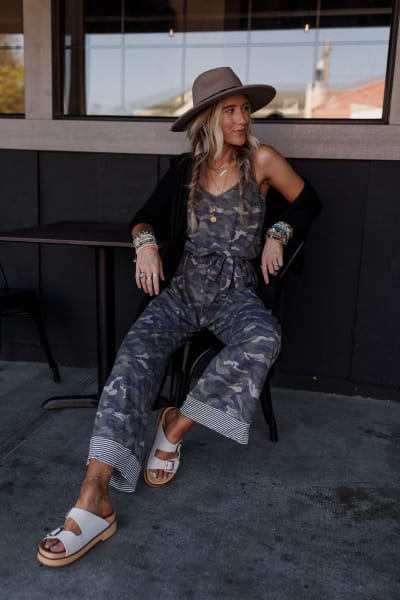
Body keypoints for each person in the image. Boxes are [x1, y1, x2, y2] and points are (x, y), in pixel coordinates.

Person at [37, 66, 320, 567]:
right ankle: (93, 495)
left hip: (235, 293)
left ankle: (173, 427)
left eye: (245, 109)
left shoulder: (262, 159)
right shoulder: (186, 170)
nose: (242, 119)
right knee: (132, 360)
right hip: (183, 289)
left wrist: (278, 232)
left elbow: (309, 201)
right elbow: (142, 217)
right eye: (230, 111)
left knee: (262, 339)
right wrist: (145, 245)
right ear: (208, 119)